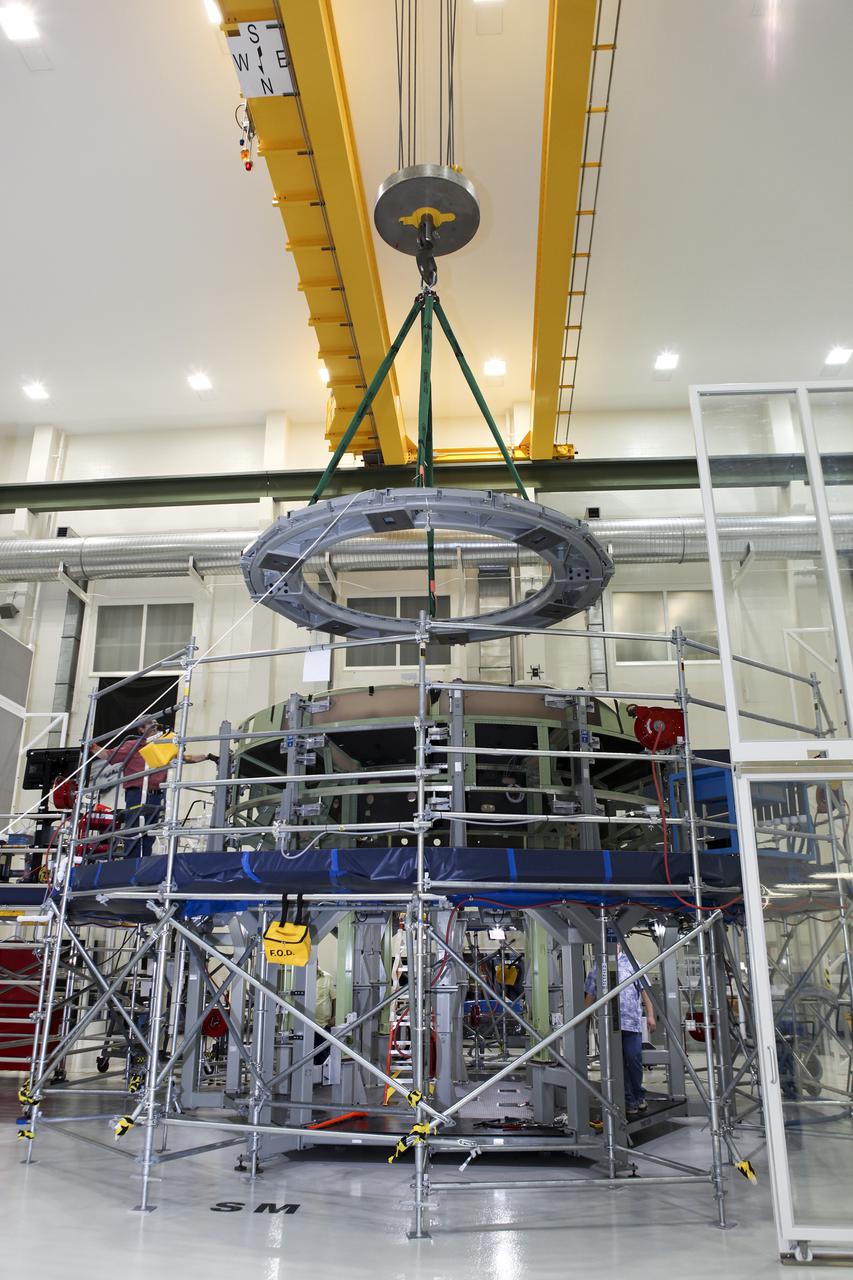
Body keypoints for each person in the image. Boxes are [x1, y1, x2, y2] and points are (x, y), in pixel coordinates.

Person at [92, 717, 215, 857]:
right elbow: (108, 755)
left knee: (149, 833)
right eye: (150, 723)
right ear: (141, 729)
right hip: (137, 794)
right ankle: (131, 864)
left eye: (156, 722)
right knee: (134, 830)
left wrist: (207, 756)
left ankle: (144, 862)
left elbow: (185, 758)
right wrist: (92, 747)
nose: (155, 725)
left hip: (156, 794)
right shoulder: (132, 745)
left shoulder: (162, 746)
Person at [585, 945, 656, 1118]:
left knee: (634, 1059)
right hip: (609, 1025)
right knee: (618, 1064)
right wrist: (584, 1022)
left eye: (616, 942)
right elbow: (590, 995)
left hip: (631, 1024)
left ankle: (639, 1094)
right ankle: (629, 1100)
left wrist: (650, 1015)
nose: (614, 945)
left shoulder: (632, 964)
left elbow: (645, 992)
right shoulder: (598, 967)